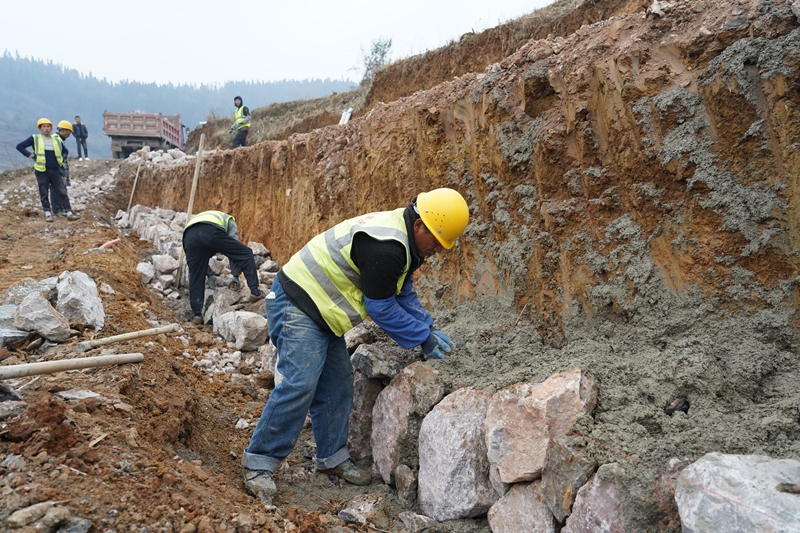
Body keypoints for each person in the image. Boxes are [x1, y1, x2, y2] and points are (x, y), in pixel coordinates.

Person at [240, 187, 469, 503]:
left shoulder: (407, 245)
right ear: (419, 226)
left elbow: (402, 292)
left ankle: (331, 458)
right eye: (438, 242)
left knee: (337, 385)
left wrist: (427, 327)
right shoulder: (387, 248)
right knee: (301, 383)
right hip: (297, 301)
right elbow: (381, 308)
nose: (439, 251)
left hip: (323, 312)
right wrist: (422, 339)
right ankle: (258, 463)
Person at [182, 210, 264, 325]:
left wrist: (210, 275)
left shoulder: (205, 216)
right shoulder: (230, 220)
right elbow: (234, 253)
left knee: (195, 274)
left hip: (188, 235)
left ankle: (197, 314)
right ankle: (255, 292)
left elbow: (199, 262)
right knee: (246, 253)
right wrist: (235, 277)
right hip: (210, 231)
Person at [16, 118, 79, 222]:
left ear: (51, 128)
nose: (46, 128)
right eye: (44, 126)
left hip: (55, 170)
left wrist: (61, 166)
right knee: (44, 192)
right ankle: (48, 213)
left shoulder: (56, 140)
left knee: (62, 191)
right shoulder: (35, 138)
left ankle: (68, 212)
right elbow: (20, 146)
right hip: (41, 170)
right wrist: (30, 155)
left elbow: (64, 152)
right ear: (40, 128)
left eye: (48, 126)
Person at [51, 121, 74, 216]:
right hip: (57, 169)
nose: (69, 134)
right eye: (69, 132)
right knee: (56, 189)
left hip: (59, 168)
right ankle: (57, 209)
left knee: (60, 188)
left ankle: (60, 208)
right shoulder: (56, 140)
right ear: (64, 130)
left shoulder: (59, 139)